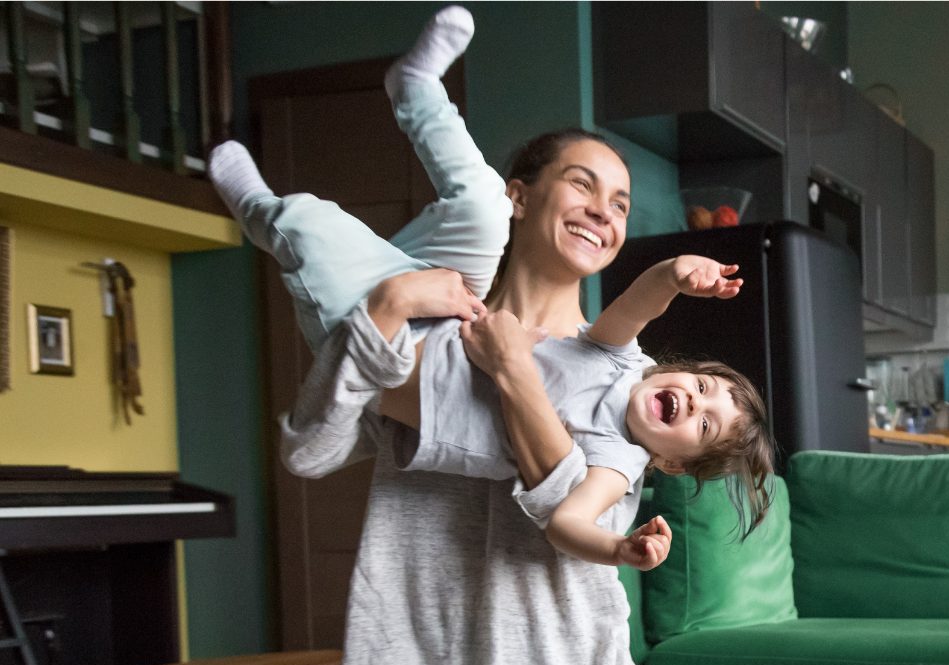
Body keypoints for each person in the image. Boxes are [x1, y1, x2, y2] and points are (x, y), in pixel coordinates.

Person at [263, 8, 773, 665]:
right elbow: (309, 451)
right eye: (584, 183)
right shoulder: (434, 337)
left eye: (621, 201)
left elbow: (566, 493)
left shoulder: (630, 389)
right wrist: (384, 314)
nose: (604, 210)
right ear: (517, 195)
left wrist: (515, 377)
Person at [209, 7, 772, 569]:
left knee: (306, 224)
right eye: (702, 386)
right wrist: (674, 274)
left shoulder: (617, 460)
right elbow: (634, 307)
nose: (693, 401)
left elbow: (568, 524)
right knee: (483, 204)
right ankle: (415, 88)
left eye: (704, 424)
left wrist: (618, 550)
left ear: (672, 465)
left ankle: (257, 207)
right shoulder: (623, 364)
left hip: (393, 348)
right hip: (453, 303)